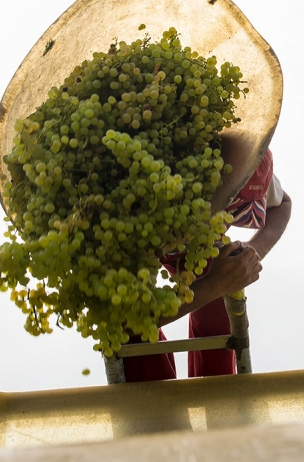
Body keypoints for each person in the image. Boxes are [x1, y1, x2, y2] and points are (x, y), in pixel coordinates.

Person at [122, 149, 292, 382]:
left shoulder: (244, 164)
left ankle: (215, 397)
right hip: (135, 241)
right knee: (133, 335)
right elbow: (125, 320)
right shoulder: (130, 199)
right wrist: (214, 285)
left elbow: (283, 203)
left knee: (218, 311)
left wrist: (255, 251)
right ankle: (156, 406)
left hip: (197, 247)